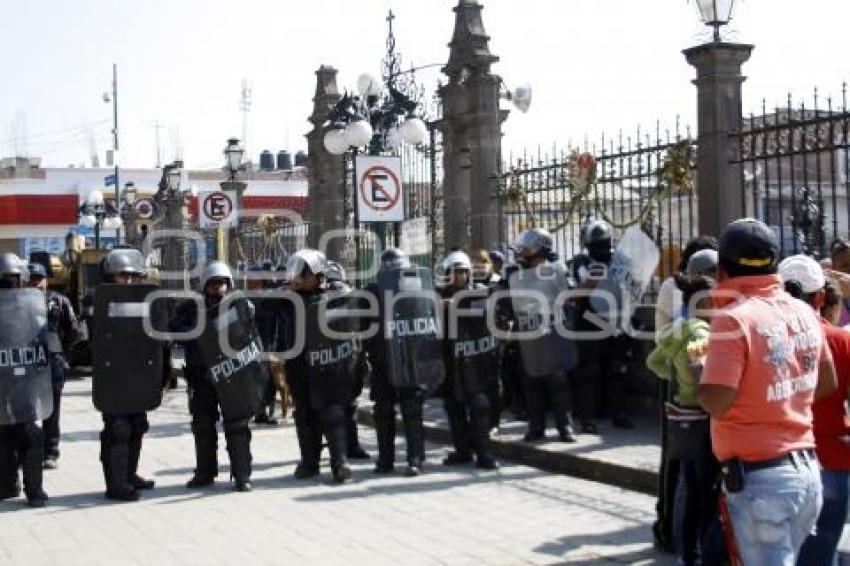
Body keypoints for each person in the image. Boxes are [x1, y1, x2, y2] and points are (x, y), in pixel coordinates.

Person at [699, 218, 837, 565]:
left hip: (762, 482)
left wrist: (694, 371)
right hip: (806, 473)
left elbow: (717, 401)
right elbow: (827, 382)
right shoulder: (803, 310)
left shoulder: (732, 319)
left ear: (722, 271)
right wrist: (778, 399)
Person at [647, 249, 720, 565]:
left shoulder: (678, 328)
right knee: (704, 494)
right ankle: (696, 553)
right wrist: (697, 386)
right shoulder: (701, 332)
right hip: (702, 417)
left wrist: (675, 378)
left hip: (681, 413)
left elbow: (653, 361)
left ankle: (686, 552)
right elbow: (703, 373)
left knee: (690, 488)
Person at [778, 257, 850, 565]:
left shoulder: (759, 337)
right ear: (821, 297)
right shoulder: (841, 340)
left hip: (777, 459)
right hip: (832, 455)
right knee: (823, 552)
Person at [174, 261, 258, 492]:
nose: (217, 288)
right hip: (202, 377)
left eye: (221, 284)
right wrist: (196, 332)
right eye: (213, 284)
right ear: (204, 286)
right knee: (202, 425)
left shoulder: (240, 306)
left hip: (233, 374)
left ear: (228, 285)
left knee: (238, 425)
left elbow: (252, 336)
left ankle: (242, 475)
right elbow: (175, 330)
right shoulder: (191, 308)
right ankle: (205, 472)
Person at [280, 250, 359, 483]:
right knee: (304, 412)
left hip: (328, 360)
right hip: (298, 362)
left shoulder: (335, 293)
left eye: (303, 273)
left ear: (317, 274)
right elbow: (265, 307)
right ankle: (309, 462)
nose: (298, 278)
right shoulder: (288, 296)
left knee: (332, 410)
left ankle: (340, 462)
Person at [364, 248, 438, 477]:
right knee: (383, 410)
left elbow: (428, 315)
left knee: (412, 409)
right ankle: (386, 459)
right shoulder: (372, 292)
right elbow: (364, 324)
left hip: (409, 358)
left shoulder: (418, 286)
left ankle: (415, 458)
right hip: (383, 359)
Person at [94, 248, 160, 501]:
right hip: (112, 376)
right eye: (123, 276)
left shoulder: (145, 301)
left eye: (135, 277)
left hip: (137, 373)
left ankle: (129, 475)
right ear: (111, 277)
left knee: (137, 425)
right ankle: (116, 484)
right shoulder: (99, 301)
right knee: (118, 429)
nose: (130, 281)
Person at [509, 228, 577, 443]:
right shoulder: (516, 275)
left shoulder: (556, 271)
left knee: (557, 381)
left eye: (527, 247)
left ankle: (565, 426)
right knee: (531, 382)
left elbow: (565, 299)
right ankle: (535, 427)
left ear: (540, 247)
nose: (522, 251)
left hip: (552, 331)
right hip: (529, 334)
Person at [571, 219, 633, 432]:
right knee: (589, 372)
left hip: (616, 319)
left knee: (617, 369)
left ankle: (620, 413)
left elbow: (630, 287)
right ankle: (587, 419)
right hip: (591, 321)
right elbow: (580, 291)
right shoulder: (581, 261)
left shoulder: (620, 260)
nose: (602, 247)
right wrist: (594, 276)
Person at [438, 251, 498, 470]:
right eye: (455, 273)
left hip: (476, 361)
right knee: (454, 409)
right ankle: (462, 451)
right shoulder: (438, 296)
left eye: (463, 272)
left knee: (480, 407)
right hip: (450, 361)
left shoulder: (478, 295)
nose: (459, 277)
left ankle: (485, 454)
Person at [0, 253, 50, 507]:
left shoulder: (33, 305)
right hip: (2, 381)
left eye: (14, 278)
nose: (11, 283)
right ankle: (8, 483)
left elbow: (45, 337)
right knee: (4, 435)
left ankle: (35, 488)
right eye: (6, 279)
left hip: (26, 379)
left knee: (31, 435)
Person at [27, 262, 79, 470]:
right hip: (27, 361)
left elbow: (73, 330)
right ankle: (26, 451)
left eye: (39, 279)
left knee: (52, 409)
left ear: (46, 279)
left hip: (52, 361)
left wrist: (62, 352)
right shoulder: (18, 303)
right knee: (25, 408)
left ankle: (50, 452)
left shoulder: (59, 301)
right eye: (31, 279)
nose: (36, 283)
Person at [325, 260, 370, 461]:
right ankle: (351, 446)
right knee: (350, 403)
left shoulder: (320, 297)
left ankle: (335, 449)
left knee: (330, 405)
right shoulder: (353, 295)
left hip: (328, 357)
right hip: (351, 353)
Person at [246, 263, 279, 426]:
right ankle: (258, 411)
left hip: (266, 343)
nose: (249, 281)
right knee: (260, 380)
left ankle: (260, 411)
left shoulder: (267, 297)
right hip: (254, 345)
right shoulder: (247, 298)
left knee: (265, 380)